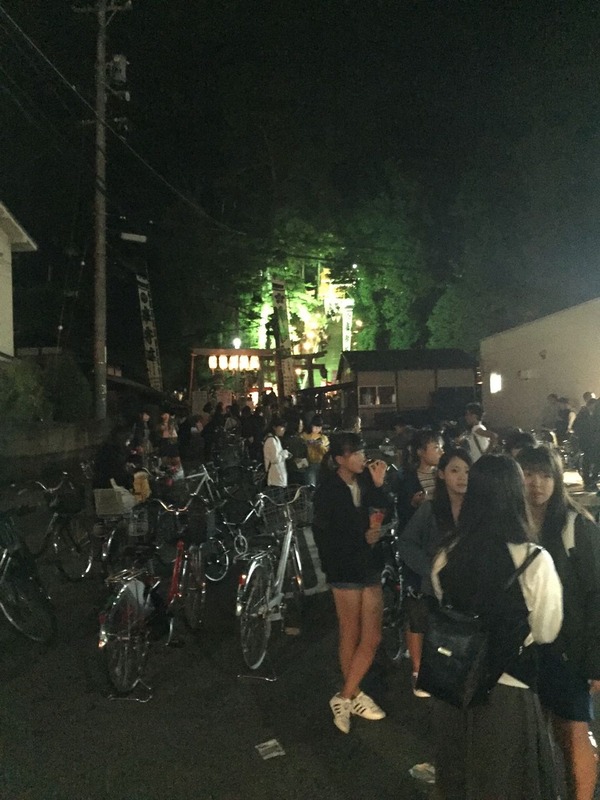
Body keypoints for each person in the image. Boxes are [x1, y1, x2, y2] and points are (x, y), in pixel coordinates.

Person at [430, 454, 563, 800]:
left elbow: (447, 606)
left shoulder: (446, 553)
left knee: (459, 776)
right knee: (507, 782)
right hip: (509, 687)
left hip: (456, 684)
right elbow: (547, 630)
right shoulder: (534, 560)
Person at [517, 444, 600, 800]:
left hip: (570, 648)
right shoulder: (516, 524)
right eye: (529, 475)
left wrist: (596, 661)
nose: (537, 483)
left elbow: (597, 593)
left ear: (557, 480)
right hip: (530, 647)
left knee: (575, 731)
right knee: (549, 729)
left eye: (545, 475)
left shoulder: (574, 525)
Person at [311, 432, 392, 734]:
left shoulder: (368, 481)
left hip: (369, 563)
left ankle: (344, 697)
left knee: (372, 636)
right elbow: (327, 533)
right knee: (350, 632)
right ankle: (355, 695)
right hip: (344, 567)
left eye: (361, 452)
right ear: (339, 460)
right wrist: (363, 533)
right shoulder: (328, 490)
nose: (361, 458)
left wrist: (380, 485)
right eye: (354, 454)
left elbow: (383, 512)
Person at [397, 447, 472, 697]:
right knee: (421, 618)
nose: (462, 477)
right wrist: (429, 569)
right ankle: (419, 670)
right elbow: (407, 542)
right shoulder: (430, 509)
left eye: (467, 471)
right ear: (441, 474)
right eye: (454, 470)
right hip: (432, 582)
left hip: (464, 583)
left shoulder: (478, 510)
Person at [396, 429, 443, 531]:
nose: (441, 452)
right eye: (436, 447)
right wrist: (413, 503)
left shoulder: (443, 475)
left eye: (441, 448)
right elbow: (401, 513)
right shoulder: (408, 478)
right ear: (421, 452)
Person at [263, 415, 291, 500]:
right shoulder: (271, 440)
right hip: (275, 478)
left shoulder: (276, 439)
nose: (284, 430)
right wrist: (285, 453)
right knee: (276, 501)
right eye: (282, 427)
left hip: (278, 477)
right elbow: (275, 459)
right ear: (275, 427)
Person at [301, 415, 330, 485]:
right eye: (315, 427)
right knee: (311, 484)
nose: (317, 429)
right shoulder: (305, 436)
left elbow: (326, 451)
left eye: (319, 427)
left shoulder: (324, 438)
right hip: (308, 463)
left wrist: (319, 446)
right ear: (311, 426)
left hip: (321, 464)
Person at [282, 414, 309, 485]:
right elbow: (304, 456)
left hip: (286, 470)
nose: (302, 426)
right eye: (301, 425)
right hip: (299, 469)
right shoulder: (299, 440)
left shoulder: (284, 439)